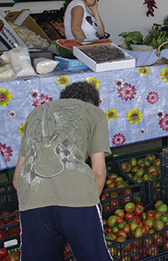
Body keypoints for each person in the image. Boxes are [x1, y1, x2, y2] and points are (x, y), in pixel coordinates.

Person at [13, 81, 112, 261]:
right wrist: (86, 205)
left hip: (33, 196)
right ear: (92, 102)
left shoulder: (36, 113)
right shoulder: (94, 113)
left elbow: (16, 179)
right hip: (77, 197)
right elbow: (99, 171)